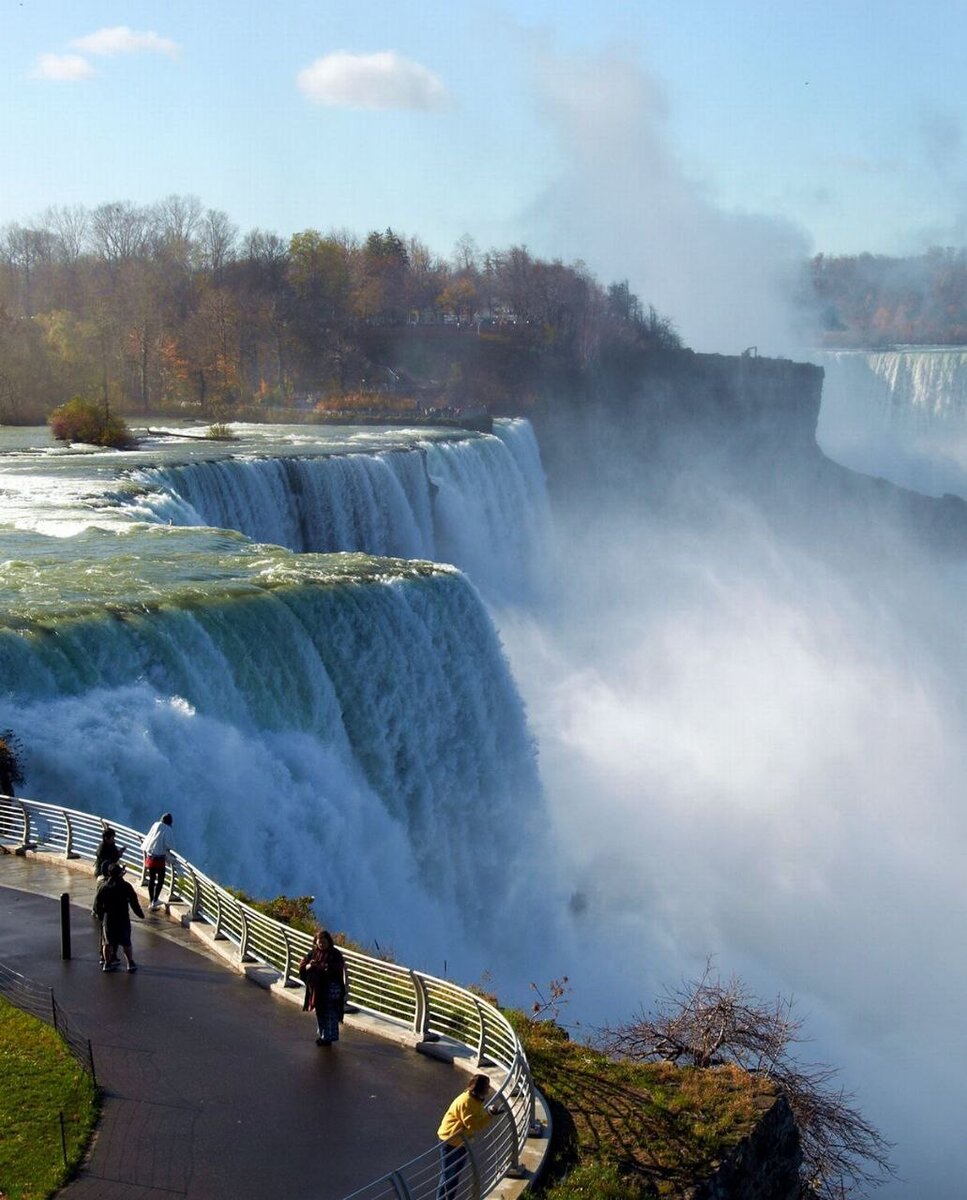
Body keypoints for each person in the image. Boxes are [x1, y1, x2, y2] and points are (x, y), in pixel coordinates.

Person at [436, 1073, 502, 1200]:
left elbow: (477, 1115)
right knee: (448, 1176)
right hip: (450, 1141)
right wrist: (489, 1115)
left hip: (461, 1142)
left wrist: (488, 1112)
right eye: (487, 1086)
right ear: (480, 1087)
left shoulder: (476, 1100)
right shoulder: (467, 1102)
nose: (489, 1088)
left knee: (454, 1176)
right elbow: (473, 1125)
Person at [298, 929, 347, 1046]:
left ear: (329, 942)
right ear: (316, 942)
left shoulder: (334, 954)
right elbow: (303, 965)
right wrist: (310, 966)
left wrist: (327, 966)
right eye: (319, 942)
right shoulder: (313, 953)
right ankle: (323, 1035)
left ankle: (328, 1037)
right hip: (317, 989)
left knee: (331, 1012)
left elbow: (339, 967)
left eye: (324, 942)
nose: (321, 945)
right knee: (320, 1011)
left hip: (331, 989)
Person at [93, 862, 144, 972]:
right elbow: (134, 902)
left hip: (108, 917)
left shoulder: (104, 887)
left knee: (107, 942)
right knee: (126, 941)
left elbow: (97, 905)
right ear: (121, 873)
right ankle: (130, 963)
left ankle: (107, 963)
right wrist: (140, 914)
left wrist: (102, 917)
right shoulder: (126, 886)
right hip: (122, 917)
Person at [140, 812, 175, 911]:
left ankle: (152, 900)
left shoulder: (155, 824)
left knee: (151, 879)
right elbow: (169, 845)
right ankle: (155, 900)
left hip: (150, 856)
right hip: (159, 859)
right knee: (160, 880)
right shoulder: (167, 829)